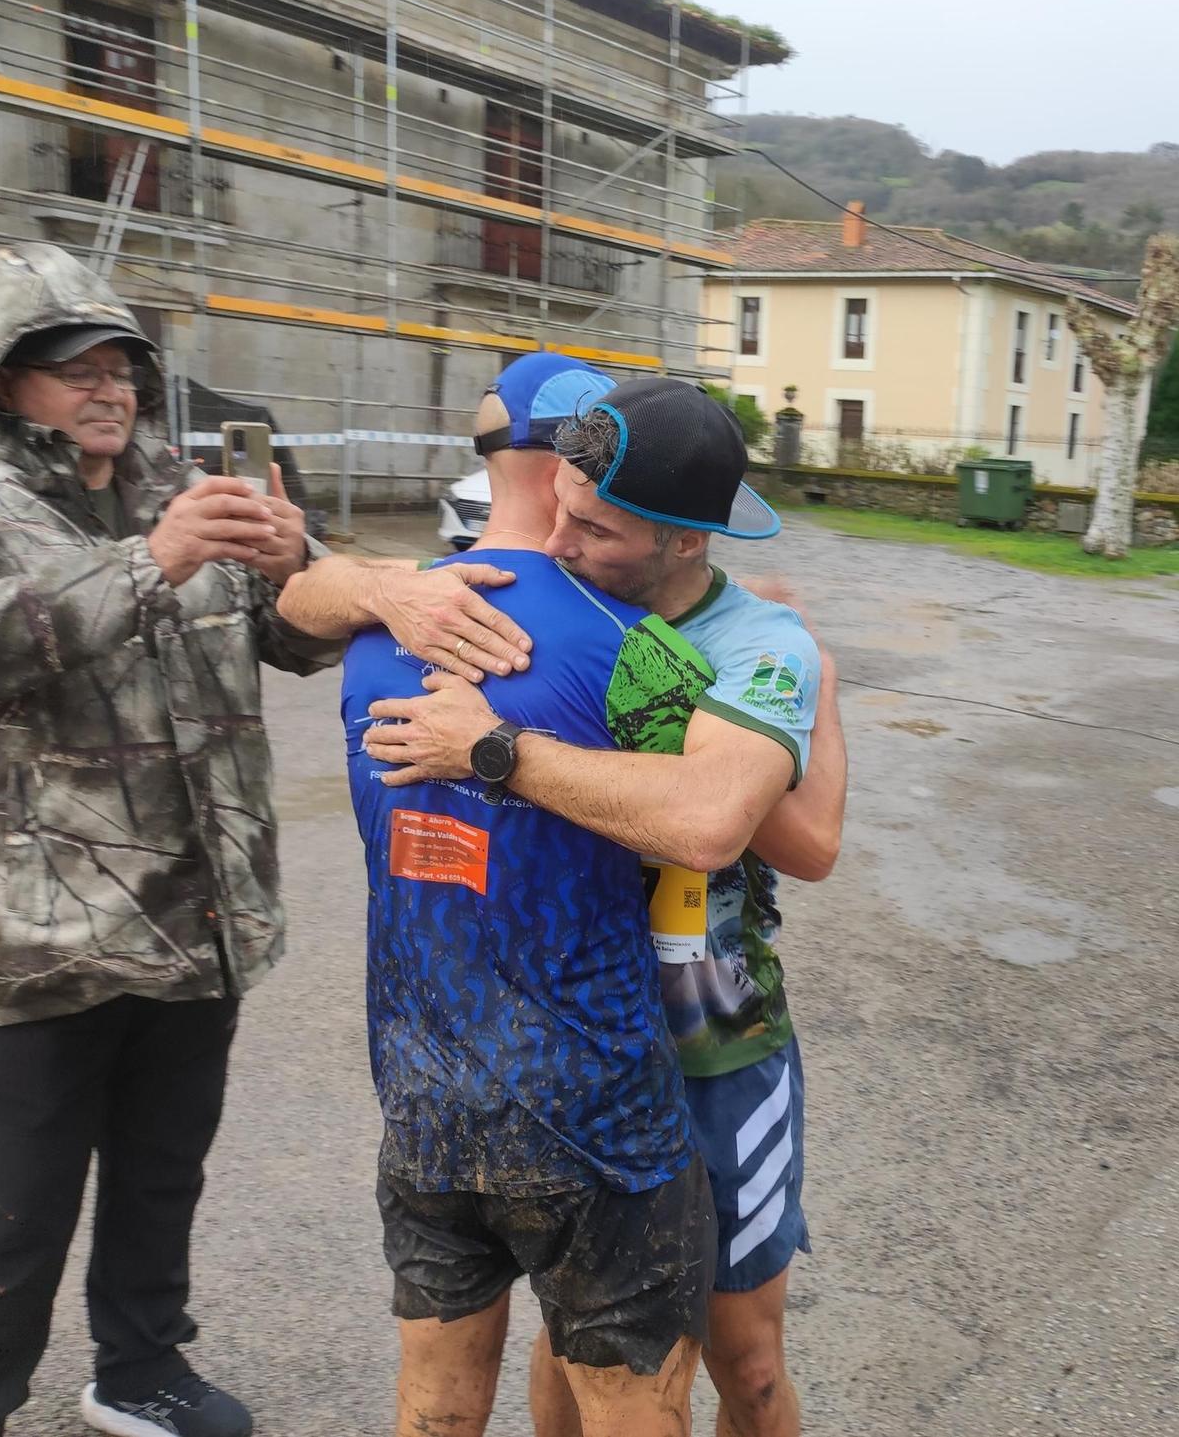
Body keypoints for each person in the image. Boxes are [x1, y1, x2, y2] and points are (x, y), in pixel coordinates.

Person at [0, 242, 343, 1437]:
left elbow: (293, 643)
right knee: (14, 1200)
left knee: (160, 1168)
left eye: (121, 363)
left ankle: (140, 1369)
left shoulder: (179, 486)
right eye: (70, 365)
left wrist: (302, 568)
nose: (108, 387)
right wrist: (152, 563)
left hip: (200, 909)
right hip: (44, 926)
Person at [351, 378, 846, 1437]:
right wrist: (369, 584)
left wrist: (491, 750)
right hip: (575, 1068)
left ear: (683, 544)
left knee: (746, 1365)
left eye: (596, 527)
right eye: (561, 503)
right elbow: (302, 602)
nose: (558, 538)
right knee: (577, 1353)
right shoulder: (556, 605)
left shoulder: (759, 646)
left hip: (710, 1044)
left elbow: (732, 827)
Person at [296, 352, 722, 1437]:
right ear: (577, 459)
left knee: (434, 1407)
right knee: (632, 1407)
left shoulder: (381, 625)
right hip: (597, 1114)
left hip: (424, 1097)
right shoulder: (645, 652)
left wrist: (369, 581)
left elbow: (298, 595)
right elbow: (712, 831)